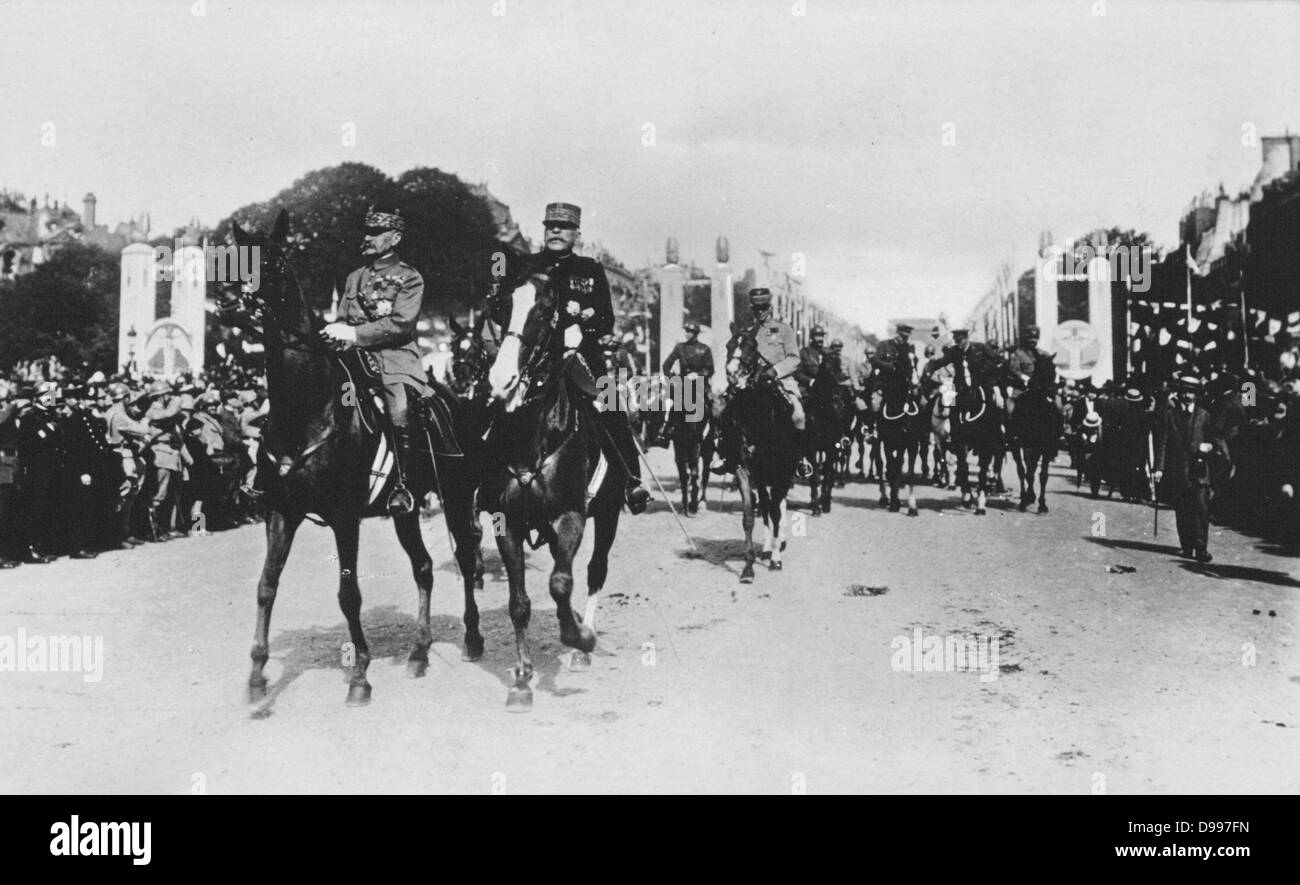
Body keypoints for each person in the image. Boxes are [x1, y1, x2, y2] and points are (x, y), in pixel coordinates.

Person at [494, 202, 650, 514]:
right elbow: (506, 308)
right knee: (494, 405)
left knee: (612, 407)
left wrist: (583, 327)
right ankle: (484, 482)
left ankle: (632, 480)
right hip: (533, 358)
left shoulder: (590, 269)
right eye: (550, 225)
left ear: (576, 234)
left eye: (563, 227)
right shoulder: (526, 264)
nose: (555, 231)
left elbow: (605, 318)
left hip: (581, 356)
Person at [322, 206, 434, 515]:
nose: (367, 238)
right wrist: (335, 332)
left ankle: (402, 483)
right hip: (352, 358)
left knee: (398, 408)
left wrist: (354, 334)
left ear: (395, 238)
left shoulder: (410, 278)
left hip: (395, 359)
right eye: (367, 232)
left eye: (376, 233)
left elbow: (400, 324)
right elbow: (343, 320)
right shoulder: (354, 277)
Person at [1153, 374, 1222, 562]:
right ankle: (1186, 546)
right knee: (1182, 510)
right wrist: (1158, 468)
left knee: (1200, 509)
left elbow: (1214, 441)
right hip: (1179, 470)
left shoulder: (1204, 416)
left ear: (1196, 395)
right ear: (1179, 393)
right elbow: (1163, 443)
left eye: (1191, 392)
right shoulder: (1170, 415)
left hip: (1200, 471)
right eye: (1184, 392)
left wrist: (1209, 447)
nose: (1187, 396)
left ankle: (1201, 548)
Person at [660, 319, 715, 443]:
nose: (687, 333)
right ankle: (667, 430)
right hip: (683, 383)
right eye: (686, 331)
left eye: (689, 331)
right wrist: (672, 378)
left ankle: (714, 432)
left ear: (695, 333)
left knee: (711, 404)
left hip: (700, 383)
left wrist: (698, 374)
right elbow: (666, 365)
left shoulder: (705, 349)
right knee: (670, 403)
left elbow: (710, 369)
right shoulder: (680, 347)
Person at [871, 323, 917, 390]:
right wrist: (889, 366)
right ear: (897, 334)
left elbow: (911, 367)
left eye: (906, 337)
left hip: (901, 387)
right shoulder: (885, 345)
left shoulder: (908, 348)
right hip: (885, 385)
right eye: (903, 336)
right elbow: (875, 360)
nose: (904, 339)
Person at [794, 324, 828, 396]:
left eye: (822, 336)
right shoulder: (804, 353)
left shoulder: (827, 353)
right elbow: (797, 373)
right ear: (811, 337)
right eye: (818, 336)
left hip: (827, 388)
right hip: (809, 388)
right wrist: (810, 381)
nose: (820, 339)